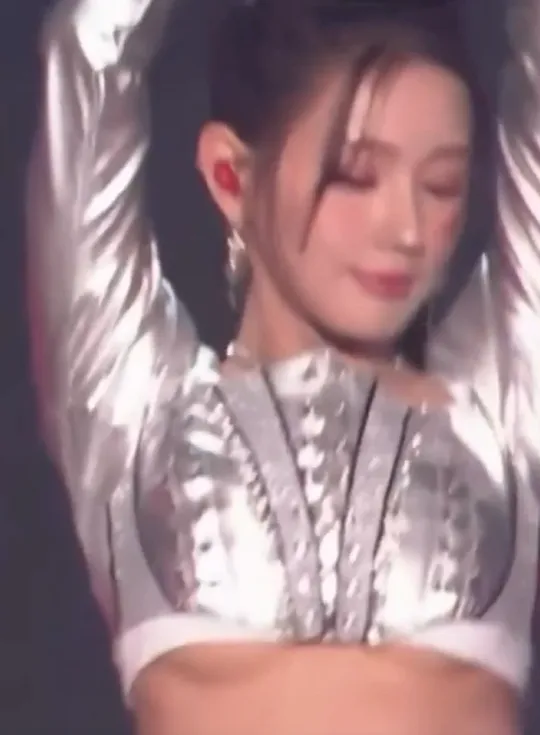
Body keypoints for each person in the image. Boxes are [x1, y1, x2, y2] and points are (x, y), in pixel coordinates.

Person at [25, 0, 539, 733]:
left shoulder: (503, 409)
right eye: (356, 176)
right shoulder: (132, 409)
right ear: (231, 177)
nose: (406, 228)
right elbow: (88, 48)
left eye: (442, 186)